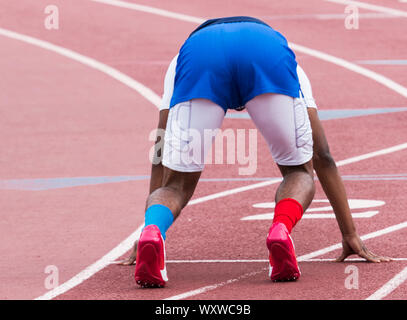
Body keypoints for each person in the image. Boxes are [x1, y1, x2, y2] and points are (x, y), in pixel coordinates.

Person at [125, 16, 391, 288]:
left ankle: (154, 232)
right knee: (299, 171)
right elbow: (323, 155)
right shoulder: (290, 62)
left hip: (200, 56)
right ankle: (281, 229)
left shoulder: (178, 62)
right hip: (265, 51)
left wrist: (148, 226)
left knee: (176, 185)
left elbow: (160, 148)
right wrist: (349, 233)